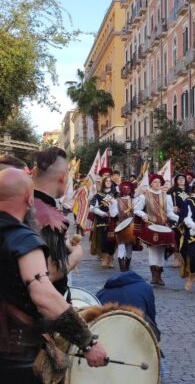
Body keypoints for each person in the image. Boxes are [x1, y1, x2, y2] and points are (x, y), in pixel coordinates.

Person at [0, 168, 108, 382]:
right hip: (16, 361)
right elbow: (44, 297)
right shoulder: (23, 240)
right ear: (28, 198)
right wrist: (88, 342)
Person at [32, 147, 83, 299]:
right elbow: (47, 274)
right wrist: (75, 256)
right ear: (62, 177)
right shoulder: (46, 214)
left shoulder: (27, 202)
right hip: (45, 308)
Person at [134, 174, 175, 286]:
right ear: (151, 184)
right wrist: (144, 214)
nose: (157, 184)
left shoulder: (167, 196)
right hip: (151, 225)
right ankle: (154, 276)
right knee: (152, 250)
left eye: (159, 182)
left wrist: (180, 219)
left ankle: (159, 276)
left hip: (163, 225)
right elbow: (136, 209)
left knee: (161, 250)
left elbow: (170, 212)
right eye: (155, 182)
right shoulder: (144, 196)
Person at [96, 271, 159, 337]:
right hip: (136, 326)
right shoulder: (145, 287)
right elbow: (151, 315)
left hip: (107, 328)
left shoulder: (101, 293)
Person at [89, 174, 118, 268]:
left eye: (110, 181)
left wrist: (113, 203)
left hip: (114, 221)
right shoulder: (97, 195)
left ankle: (110, 259)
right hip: (102, 221)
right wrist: (102, 213)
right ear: (103, 183)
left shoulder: (116, 194)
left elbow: (120, 207)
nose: (108, 183)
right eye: (106, 181)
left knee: (113, 241)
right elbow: (92, 208)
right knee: (103, 240)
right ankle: (104, 258)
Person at [115, 181, 138, 271]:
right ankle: (122, 269)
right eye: (124, 188)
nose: (126, 190)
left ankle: (127, 267)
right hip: (120, 226)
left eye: (128, 188)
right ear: (121, 189)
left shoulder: (134, 200)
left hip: (131, 226)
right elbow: (113, 214)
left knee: (129, 247)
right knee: (121, 246)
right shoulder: (117, 200)